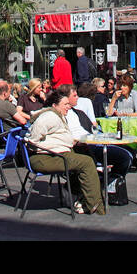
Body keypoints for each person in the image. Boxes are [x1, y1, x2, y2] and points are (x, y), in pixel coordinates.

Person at [26, 86, 105, 215]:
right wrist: (54, 147)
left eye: (68, 104)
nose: (68, 106)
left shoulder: (58, 115)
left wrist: (66, 143)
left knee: (84, 157)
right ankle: (95, 205)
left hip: (55, 154)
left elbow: (54, 137)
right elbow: (33, 141)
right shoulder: (49, 117)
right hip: (43, 158)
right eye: (65, 104)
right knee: (87, 163)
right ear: (54, 105)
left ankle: (85, 200)